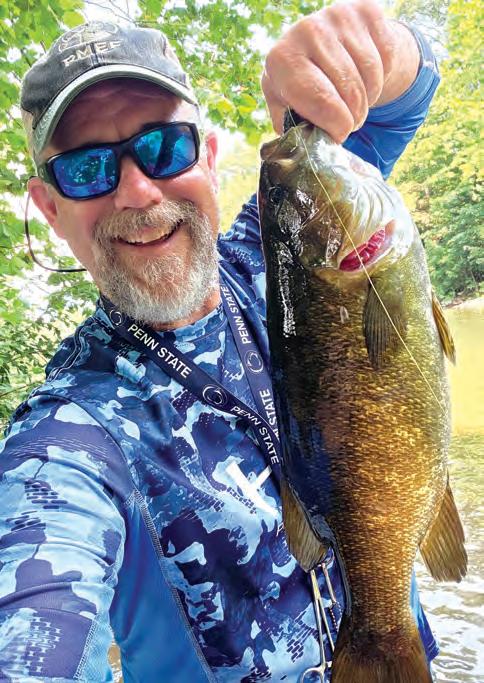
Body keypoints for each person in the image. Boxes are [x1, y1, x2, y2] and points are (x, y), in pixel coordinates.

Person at [0, 2, 441, 681]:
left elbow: (408, 95)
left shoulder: (304, 245)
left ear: (206, 157)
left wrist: (374, 48)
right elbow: (33, 622)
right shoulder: (67, 436)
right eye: (87, 169)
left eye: (164, 147)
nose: (137, 191)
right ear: (52, 210)